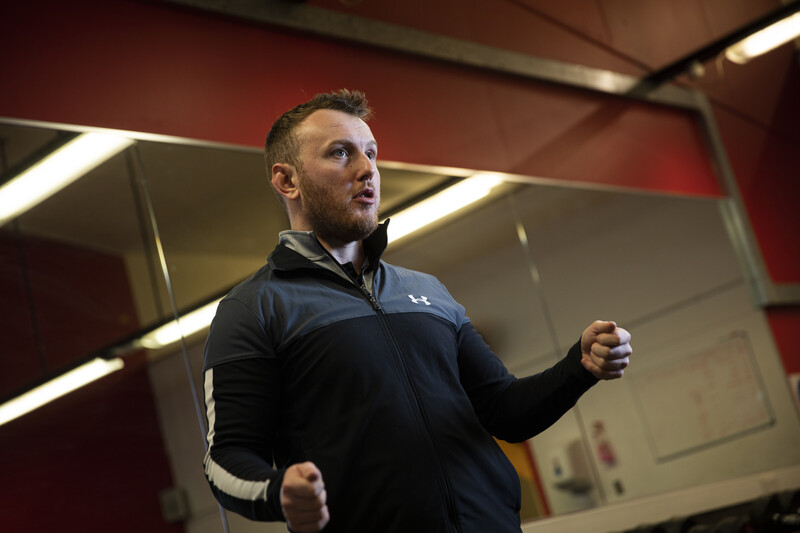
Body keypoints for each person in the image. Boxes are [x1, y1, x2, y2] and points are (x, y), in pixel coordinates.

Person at [202, 89, 632, 533]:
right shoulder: (253, 309)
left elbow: (505, 410)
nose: (367, 169)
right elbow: (225, 460)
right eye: (340, 153)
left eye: (371, 153)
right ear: (287, 181)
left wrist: (579, 368)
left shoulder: (427, 291)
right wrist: (278, 492)